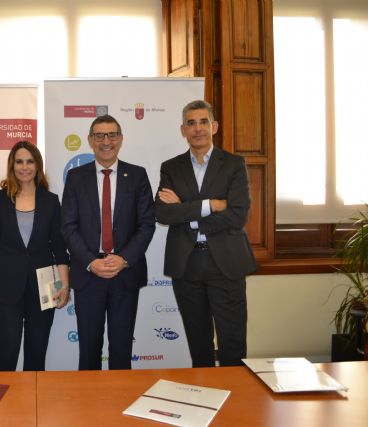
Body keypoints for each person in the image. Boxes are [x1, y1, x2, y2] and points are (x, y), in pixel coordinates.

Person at [155, 100, 256, 367]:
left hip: (226, 263)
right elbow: (163, 214)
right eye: (191, 123)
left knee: (232, 345)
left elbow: (237, 215)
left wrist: (186, 214)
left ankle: (234, 393)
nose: (197, 128)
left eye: (203, 122)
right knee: (198, 346)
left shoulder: (233, 164)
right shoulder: (171, 167)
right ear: (183, 130)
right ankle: (202, 392)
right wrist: (210, 205)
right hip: (187, 264)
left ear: (214, 126)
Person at [61, 115, 156, 370]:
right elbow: (68, 226)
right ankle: (90, 398)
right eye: (99, 135)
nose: (106, 141)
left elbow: (147, 224)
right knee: (89, 351)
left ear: (120, 139)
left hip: (125, 274)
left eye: (112, 135)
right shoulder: (75, 177)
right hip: (88, 275)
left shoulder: (137, 175)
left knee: (122, 349)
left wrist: (124, 259)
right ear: (90, 140)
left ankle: (119, 396)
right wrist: (91, 261)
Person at [0, 141, 70, 371]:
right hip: (6, 286)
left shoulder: (51, 201)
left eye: (30, 161)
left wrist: (64, 285)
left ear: (37, 165)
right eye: (19, 161)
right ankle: (2, 396)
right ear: (12, 165)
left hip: (45, 287)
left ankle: (33, 395)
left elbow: (59, 248)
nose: (24, 167)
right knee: (7, 352)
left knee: (37, 353)